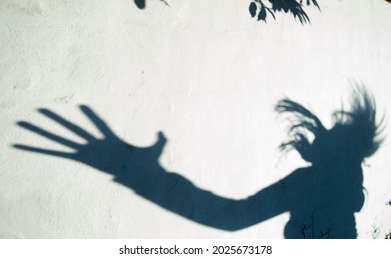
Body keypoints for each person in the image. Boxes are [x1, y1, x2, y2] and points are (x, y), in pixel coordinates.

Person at [13, 84, 383, 238]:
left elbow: (232, 218)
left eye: (327, 134)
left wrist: (144, 175)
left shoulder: (310, 183)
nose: (316, 136)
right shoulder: (348, 190)